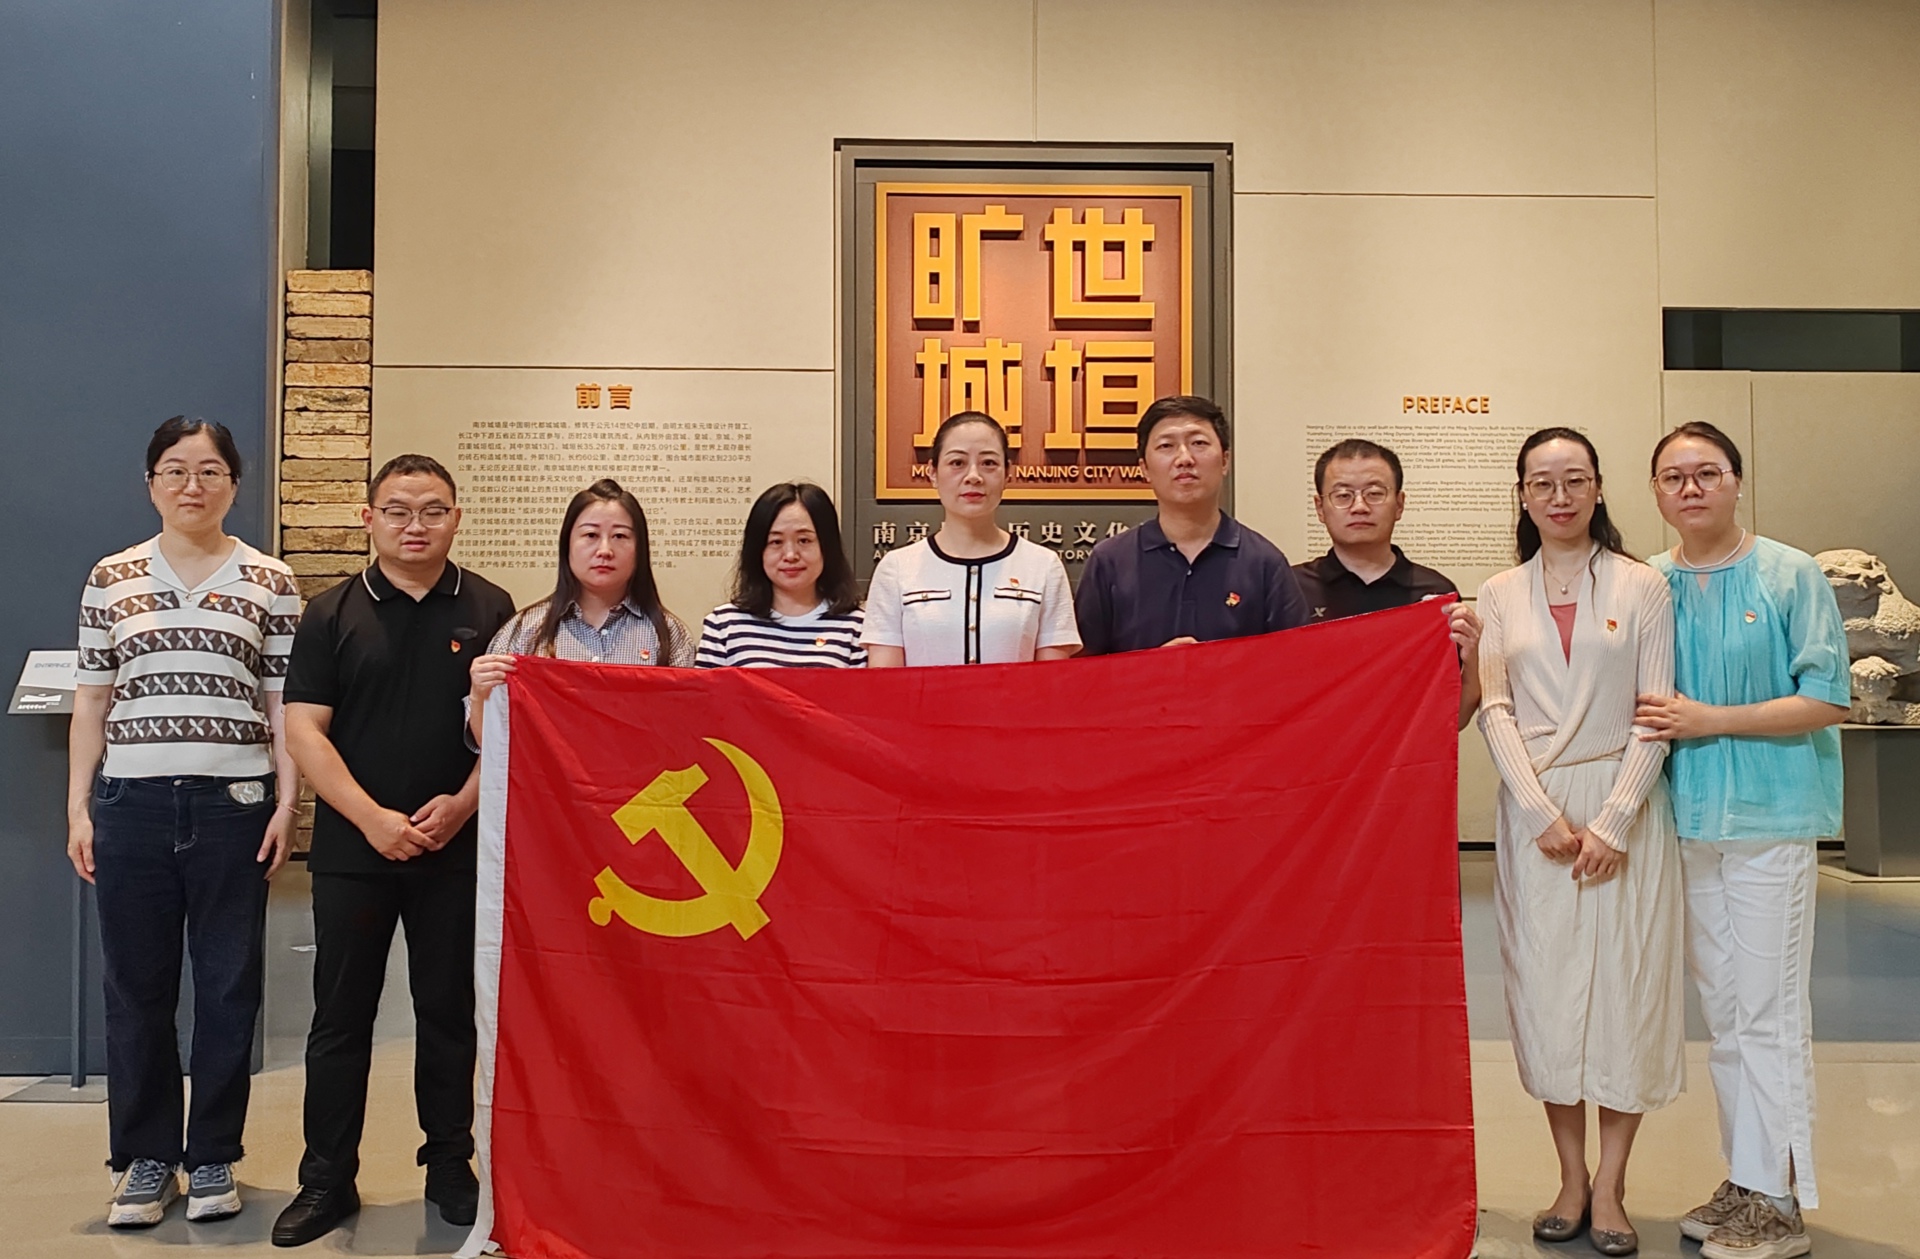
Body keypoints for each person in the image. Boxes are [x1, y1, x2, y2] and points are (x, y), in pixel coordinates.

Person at [274, 454, 515, 1248]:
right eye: (399, 510)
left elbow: (508, 727)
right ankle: (325, 1176)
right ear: (369, 517)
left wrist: (463, 804)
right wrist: (372, 818)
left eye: (434, 510)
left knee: (449, 1014)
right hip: (354, 850)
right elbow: (304, 730)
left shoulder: (490, 606)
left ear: (456, 517)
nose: (417, 525)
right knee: (341, 1018)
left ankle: (449, 1165)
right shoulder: (330, 611)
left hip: (456, 848)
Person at [67, 416, 300, 1228]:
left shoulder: (270, 579)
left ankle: (211, 1157)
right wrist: (78, 806)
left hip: (234, 805)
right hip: (129, 805)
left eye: (209, 470)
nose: (191, 485)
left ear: (234, 483)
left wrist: (287, 802)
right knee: (136, 988)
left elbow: (282, 703)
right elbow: (92, 699)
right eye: (175, 469)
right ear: (151, 482)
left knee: (229, 987)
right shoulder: (111, 575)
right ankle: (145, 1157)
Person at [1636, 422, 1847, 1259]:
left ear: (1736, 480)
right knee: (1724, 1014)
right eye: (1673, 476)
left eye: (1707, 472)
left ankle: (1782, 1199)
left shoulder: (1791, 573)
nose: (1691, 488)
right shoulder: (1650, 583)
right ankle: (1747, 1176)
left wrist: (1711, 719)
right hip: (1689, 823)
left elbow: (1826, 696)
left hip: (1772, 821)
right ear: (1656, 492)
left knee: (1770, 1011)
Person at [1476, 427, 1683, 1257]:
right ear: (1523, 495)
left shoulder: (1642, 584)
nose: (1559, 496)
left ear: (1598, 487)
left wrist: (1617, 817)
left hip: (1624, 804)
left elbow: (1656, 708)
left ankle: (1612, 1186)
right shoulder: (1500, 592)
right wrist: (1539, 813)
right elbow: (1494, 707)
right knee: (1548, 995)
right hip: (1539, 817)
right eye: (1542, 482)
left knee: (1628, 990)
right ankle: (1569, 1176)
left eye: (1574, 480)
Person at [1074, 395, 1307, 655]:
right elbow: (1082, 669)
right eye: (1166, 446)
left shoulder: (1264, 563)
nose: (1184, 458)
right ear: (1144, 468)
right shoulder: (1110, 562)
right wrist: (1148, 669)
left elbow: (1293, 663)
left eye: (1198, 443)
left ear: (1225, 460)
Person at [468, 478, 696, 738]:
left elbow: (685, 734)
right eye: (590, 535)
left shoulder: (669, 635)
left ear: (640, 549)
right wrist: (479, 693)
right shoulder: (525, 630)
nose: (605, 550)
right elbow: (492, 742)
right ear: (567, 544)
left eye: (620, 536)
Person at [862, 411, 1079, 666]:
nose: (973, 476)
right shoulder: (896, 568)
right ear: (932, 472)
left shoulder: (1043, 566)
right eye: (957, 463)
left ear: (1008, 473)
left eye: (989, 463)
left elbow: (1052, 680)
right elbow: (885, 681)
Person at [1294, 438, 1483, 728]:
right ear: (1320, 507)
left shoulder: (1435, 593)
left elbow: (1451, 718)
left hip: (1406, 756)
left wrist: (1474, 657)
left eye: (1374, 493)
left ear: (1399, 504)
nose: (1359, 506)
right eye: (1343, 495)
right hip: (1313, 752)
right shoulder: (1291, 588)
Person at [697, 481, 866, 668]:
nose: (791, 555)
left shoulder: (857, 627)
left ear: (827, 546)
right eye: (776, 542)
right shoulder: (723, 625)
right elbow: (706, 688)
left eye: (804, 540)